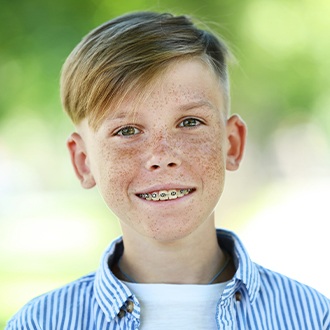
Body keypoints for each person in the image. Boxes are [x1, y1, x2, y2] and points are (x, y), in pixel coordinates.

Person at [6, 11, 329, 330]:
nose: (161, 156)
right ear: (83, 161)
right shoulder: (40, 323)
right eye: (128, 131)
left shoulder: (313, 318)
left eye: (190, 123)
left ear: (232, 143)